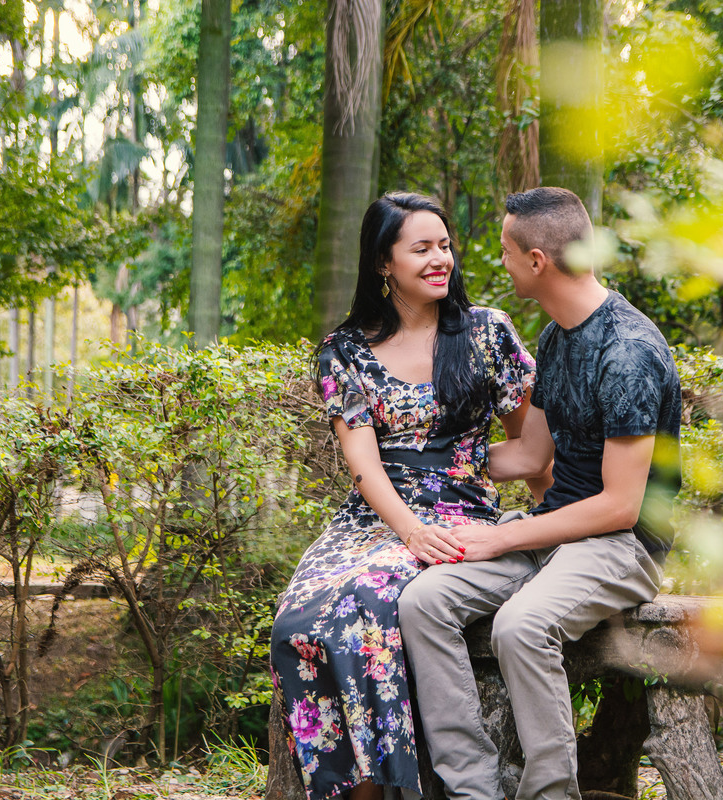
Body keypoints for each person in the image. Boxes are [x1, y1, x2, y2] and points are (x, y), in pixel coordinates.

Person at [398, 187, 683, 800]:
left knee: (521, 627)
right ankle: (473, 789)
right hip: (554, 529)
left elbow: (621, 507)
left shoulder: (628, 352)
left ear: (537, 260)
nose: (498, 261)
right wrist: (415, 464)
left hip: (623, 545)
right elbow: (531, 455)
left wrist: (501, 537)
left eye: (505, 250)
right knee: (423, 603)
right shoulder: (556, 337)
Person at [270, 192, 537, 800]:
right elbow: (363, 464)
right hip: (375, 519)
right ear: (383, 263)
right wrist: (409, 531)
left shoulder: (487, 332)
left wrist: (552, 532)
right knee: (297, 622)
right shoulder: (343, 350)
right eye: (421, 249)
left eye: (444, 246)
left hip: (459, 511)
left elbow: (529, 447)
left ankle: (397, 787)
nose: (440, 259)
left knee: (364, 603)